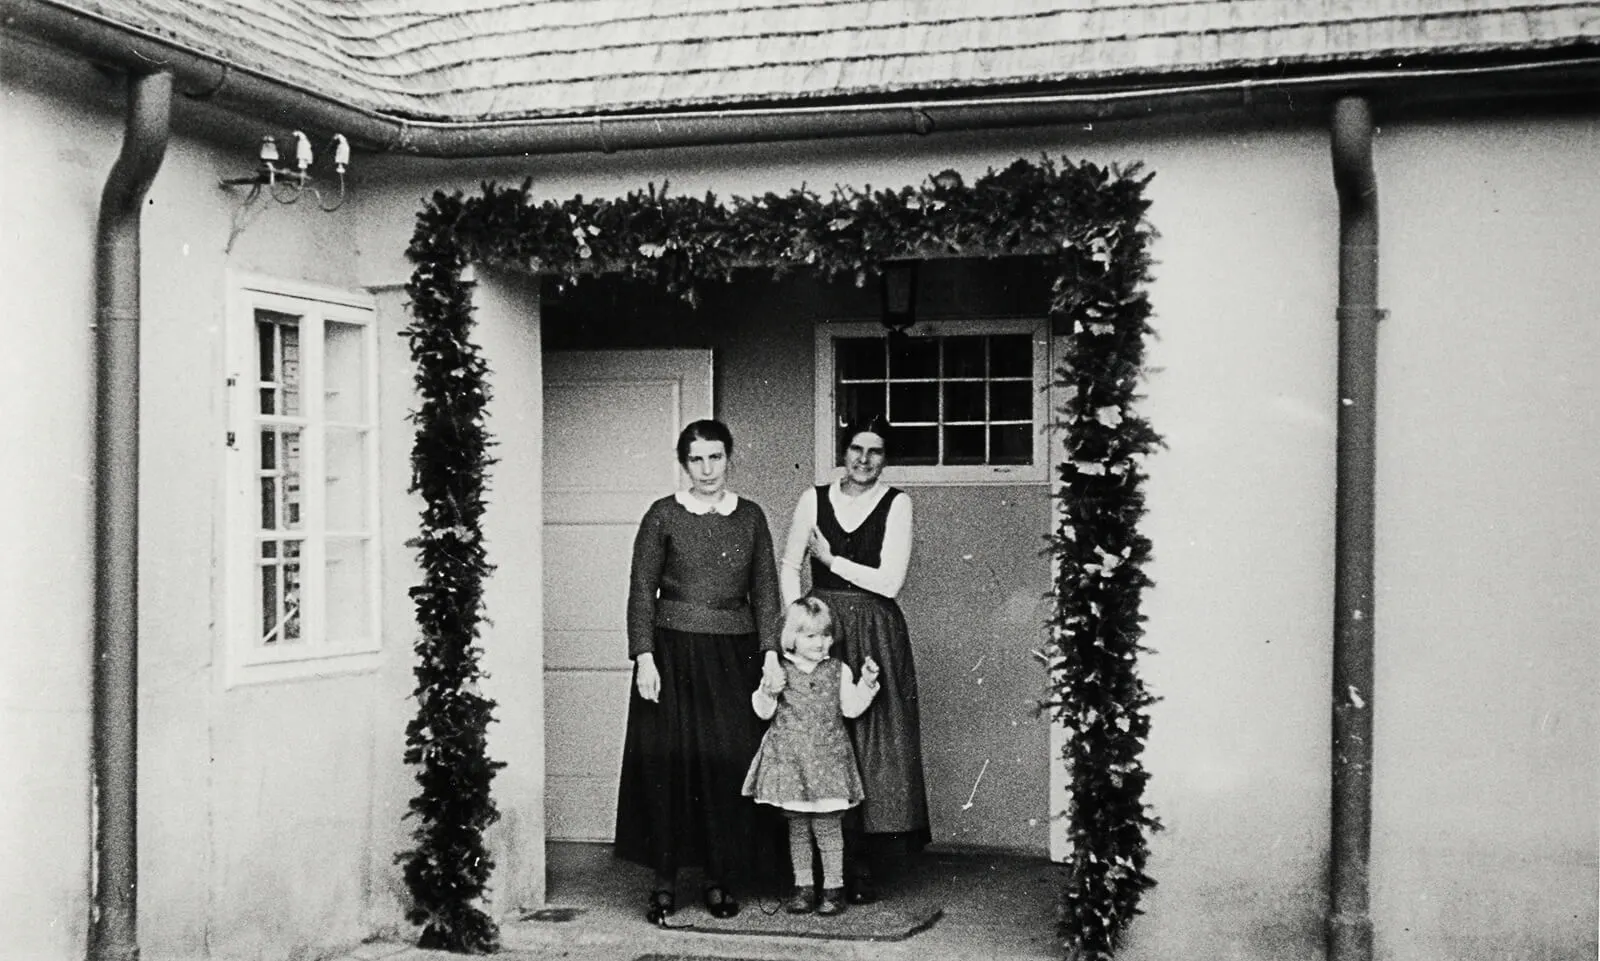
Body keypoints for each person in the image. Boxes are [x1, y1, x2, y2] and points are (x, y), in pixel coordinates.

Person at [614, 419, 787, 924]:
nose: (707, 469)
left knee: (725, 765)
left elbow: (767, 591)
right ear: (683, 463)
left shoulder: (750, 517)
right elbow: (641, 590)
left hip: (734, 657)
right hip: (671, 655)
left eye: (715, 457)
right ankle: (664, 883)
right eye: (697, 459)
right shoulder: (663, 515)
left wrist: (771, 652)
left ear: (729, 457)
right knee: (670, 765)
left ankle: (718, 879)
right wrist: (644, 655)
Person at [779, 415, 930, 904]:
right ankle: (817, 868)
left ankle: (861, 865)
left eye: (876, 452)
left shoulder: (897, 504)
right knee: (817, 734)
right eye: (856, 449)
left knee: (872, 737)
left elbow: (889, 582)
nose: (864, 460)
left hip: (874, 629)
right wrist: (794, 621)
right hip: (822, 627)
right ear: (842, 452)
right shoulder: (813, 498)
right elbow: (787, 564)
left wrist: (831, 562)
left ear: (886, 460)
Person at [742, 597, 881, 916]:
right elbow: (763, 712)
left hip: (828, 761)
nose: (822, 643)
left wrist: (867, 684)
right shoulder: (780, 670)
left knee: (828, 827)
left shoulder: (838, 670)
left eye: (826, 635)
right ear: (791, 637)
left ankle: (834, 888)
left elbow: (851, 708)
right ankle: (803, 887)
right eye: (811, 636)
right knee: (799, 828)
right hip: (791, 763)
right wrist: (769, 690)